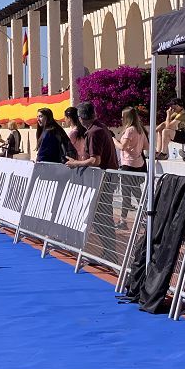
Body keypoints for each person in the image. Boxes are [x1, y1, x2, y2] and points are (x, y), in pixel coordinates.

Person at [67, 102, 119, 259]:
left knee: (101, 216)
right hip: (108, 177)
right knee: (102, 216)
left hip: (103, 178)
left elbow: (95, 160)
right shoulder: (100, 128)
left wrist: (75, 163)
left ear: (81, 118)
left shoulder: (94, 132)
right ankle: (109, 252)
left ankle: (110, 253)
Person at [114, 107, 148, 229]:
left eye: (123, 117)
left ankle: (123, 220)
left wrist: (114, 141)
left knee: (126, 194)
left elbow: (122, 147)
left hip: (128, 164)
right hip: (138, 163)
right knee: (137, 192)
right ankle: (145, 217)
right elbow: (146, 146)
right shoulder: (140, 130)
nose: (121, 119)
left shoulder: (129, 130)